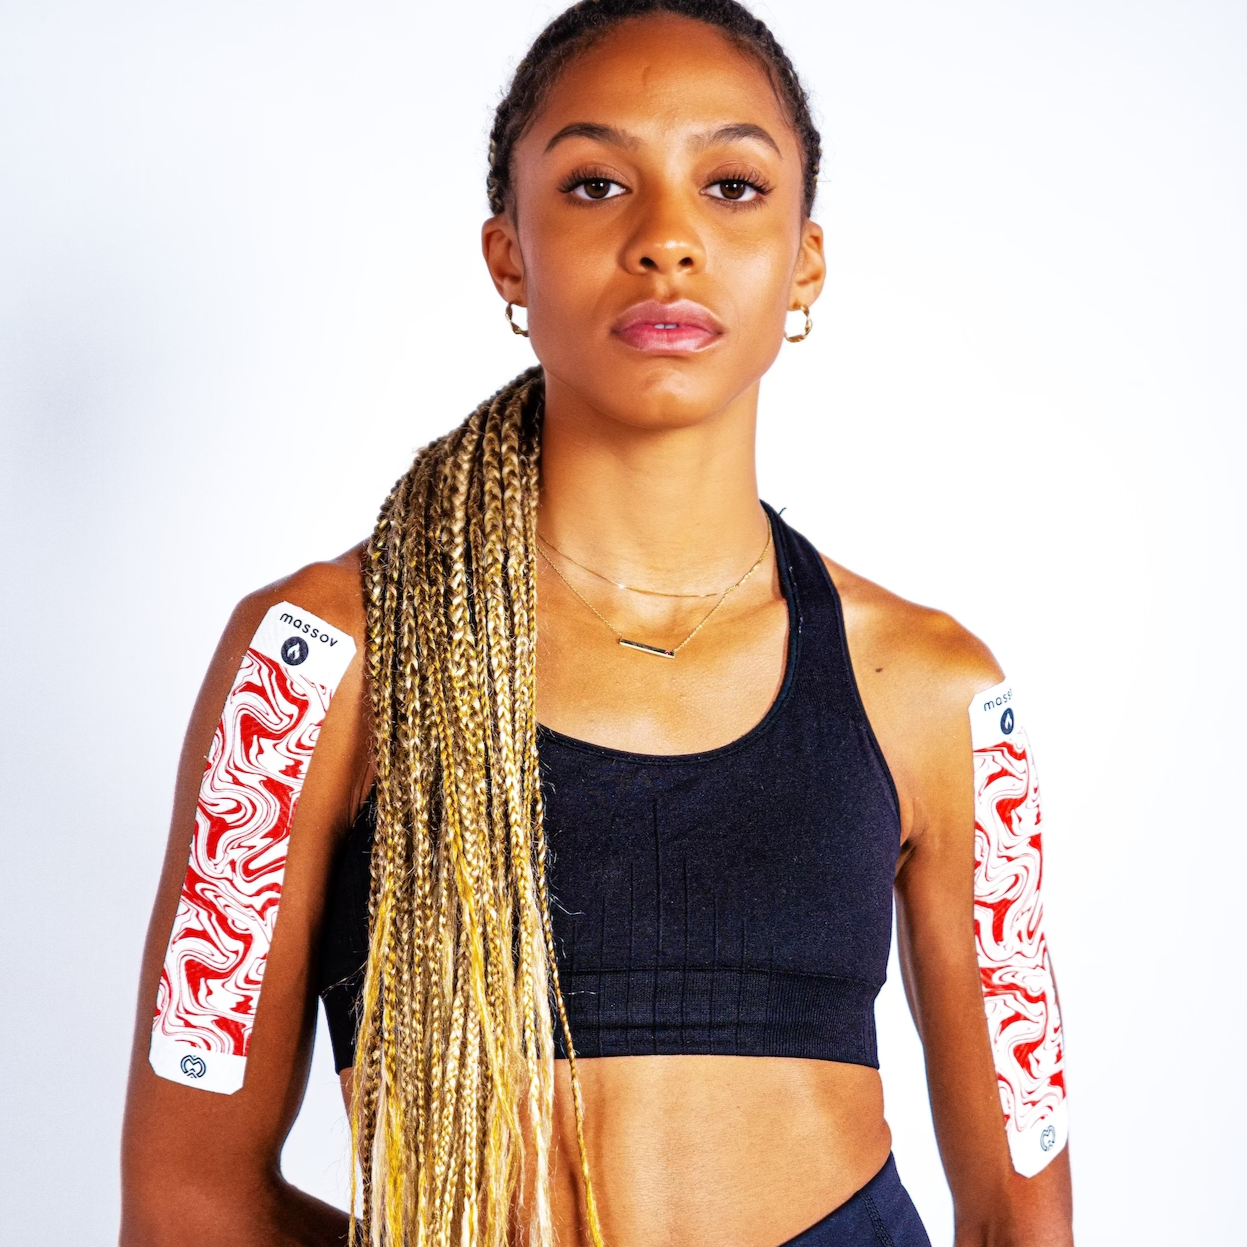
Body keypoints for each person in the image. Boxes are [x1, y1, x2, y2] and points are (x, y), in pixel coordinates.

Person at [120, 2, 1074, 1244]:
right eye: (593, 184)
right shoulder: (312, 666)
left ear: (805, 260)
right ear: (507, 253)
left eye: (730, 185)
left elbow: (1021, 1212)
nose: (665, 240)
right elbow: (187, 1199)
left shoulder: (935, 687)